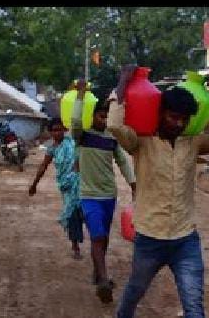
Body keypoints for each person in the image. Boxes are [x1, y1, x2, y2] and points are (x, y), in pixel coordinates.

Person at [108, 65, 209, 318]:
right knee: (135, 292)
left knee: (194, 307)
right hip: (149, 238)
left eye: (183, 119)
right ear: (161, 114)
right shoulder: (141, 141)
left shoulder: (193, 142)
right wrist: (124, 80)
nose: (178, 123)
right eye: (172, 117)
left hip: (185, 239)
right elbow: (115, 126)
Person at [70, 80, 137, 303]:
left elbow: (123, 163)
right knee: (97, 236)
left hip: (109, 195)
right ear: (93, 116)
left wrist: (133, 184)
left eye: (107, 117)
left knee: (104, 238)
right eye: (101, 116)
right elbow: (75, 119)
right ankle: (104, 280)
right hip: (89, 197)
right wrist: (80, 95)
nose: (104, 120)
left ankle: (97, 273)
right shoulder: (82, 135)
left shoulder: (112, 139)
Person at [28, 117, 85, 260]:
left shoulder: (73, 143)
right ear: (50, 132)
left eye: (59, 129)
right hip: (66, 186)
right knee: (72, 214)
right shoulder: (52, 149)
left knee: (82, 213)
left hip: (81, 183)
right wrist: (34, 184)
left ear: (64, 130)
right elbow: (43, 166)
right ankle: (75, 246)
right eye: (54, 130)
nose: (57, 133)